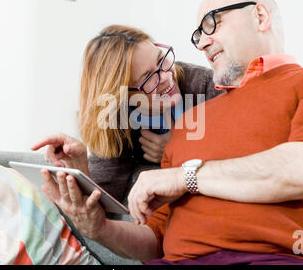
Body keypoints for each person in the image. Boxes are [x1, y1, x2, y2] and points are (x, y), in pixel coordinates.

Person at [39, 0, 303, 265]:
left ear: (259, 16)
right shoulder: (189, 122)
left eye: (212, 23)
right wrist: (98, 227)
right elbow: (154, 239)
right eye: (197, 34)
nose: (200, 42)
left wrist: (183, 176)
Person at [31, 24, 221, 202]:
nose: (166, 76)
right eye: (147, 77)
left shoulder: (206, 85)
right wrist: (79, 163)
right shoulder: (116, 118)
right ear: (121, 95)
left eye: (160, 60)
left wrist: (176, 150)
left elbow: (240, 161)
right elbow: (107, 195)